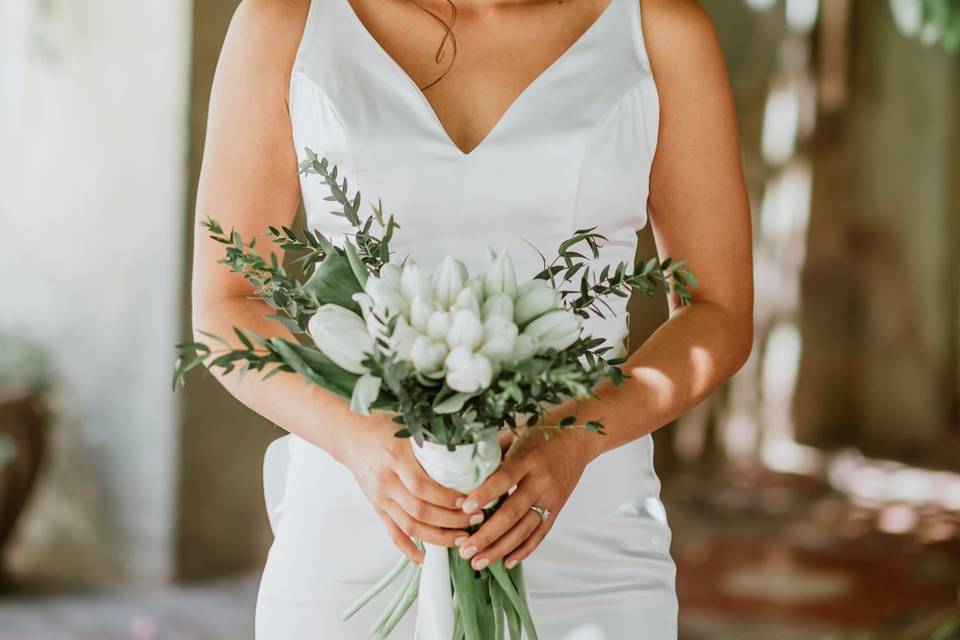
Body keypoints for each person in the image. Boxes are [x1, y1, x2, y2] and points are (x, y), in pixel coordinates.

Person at [191, 0, 753, 637]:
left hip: (583, 530)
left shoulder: (657, 31)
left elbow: (718, 312)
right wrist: (361, 442)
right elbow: (226, 303)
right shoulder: (287, 21)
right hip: (356, 530)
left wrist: (576, 437)